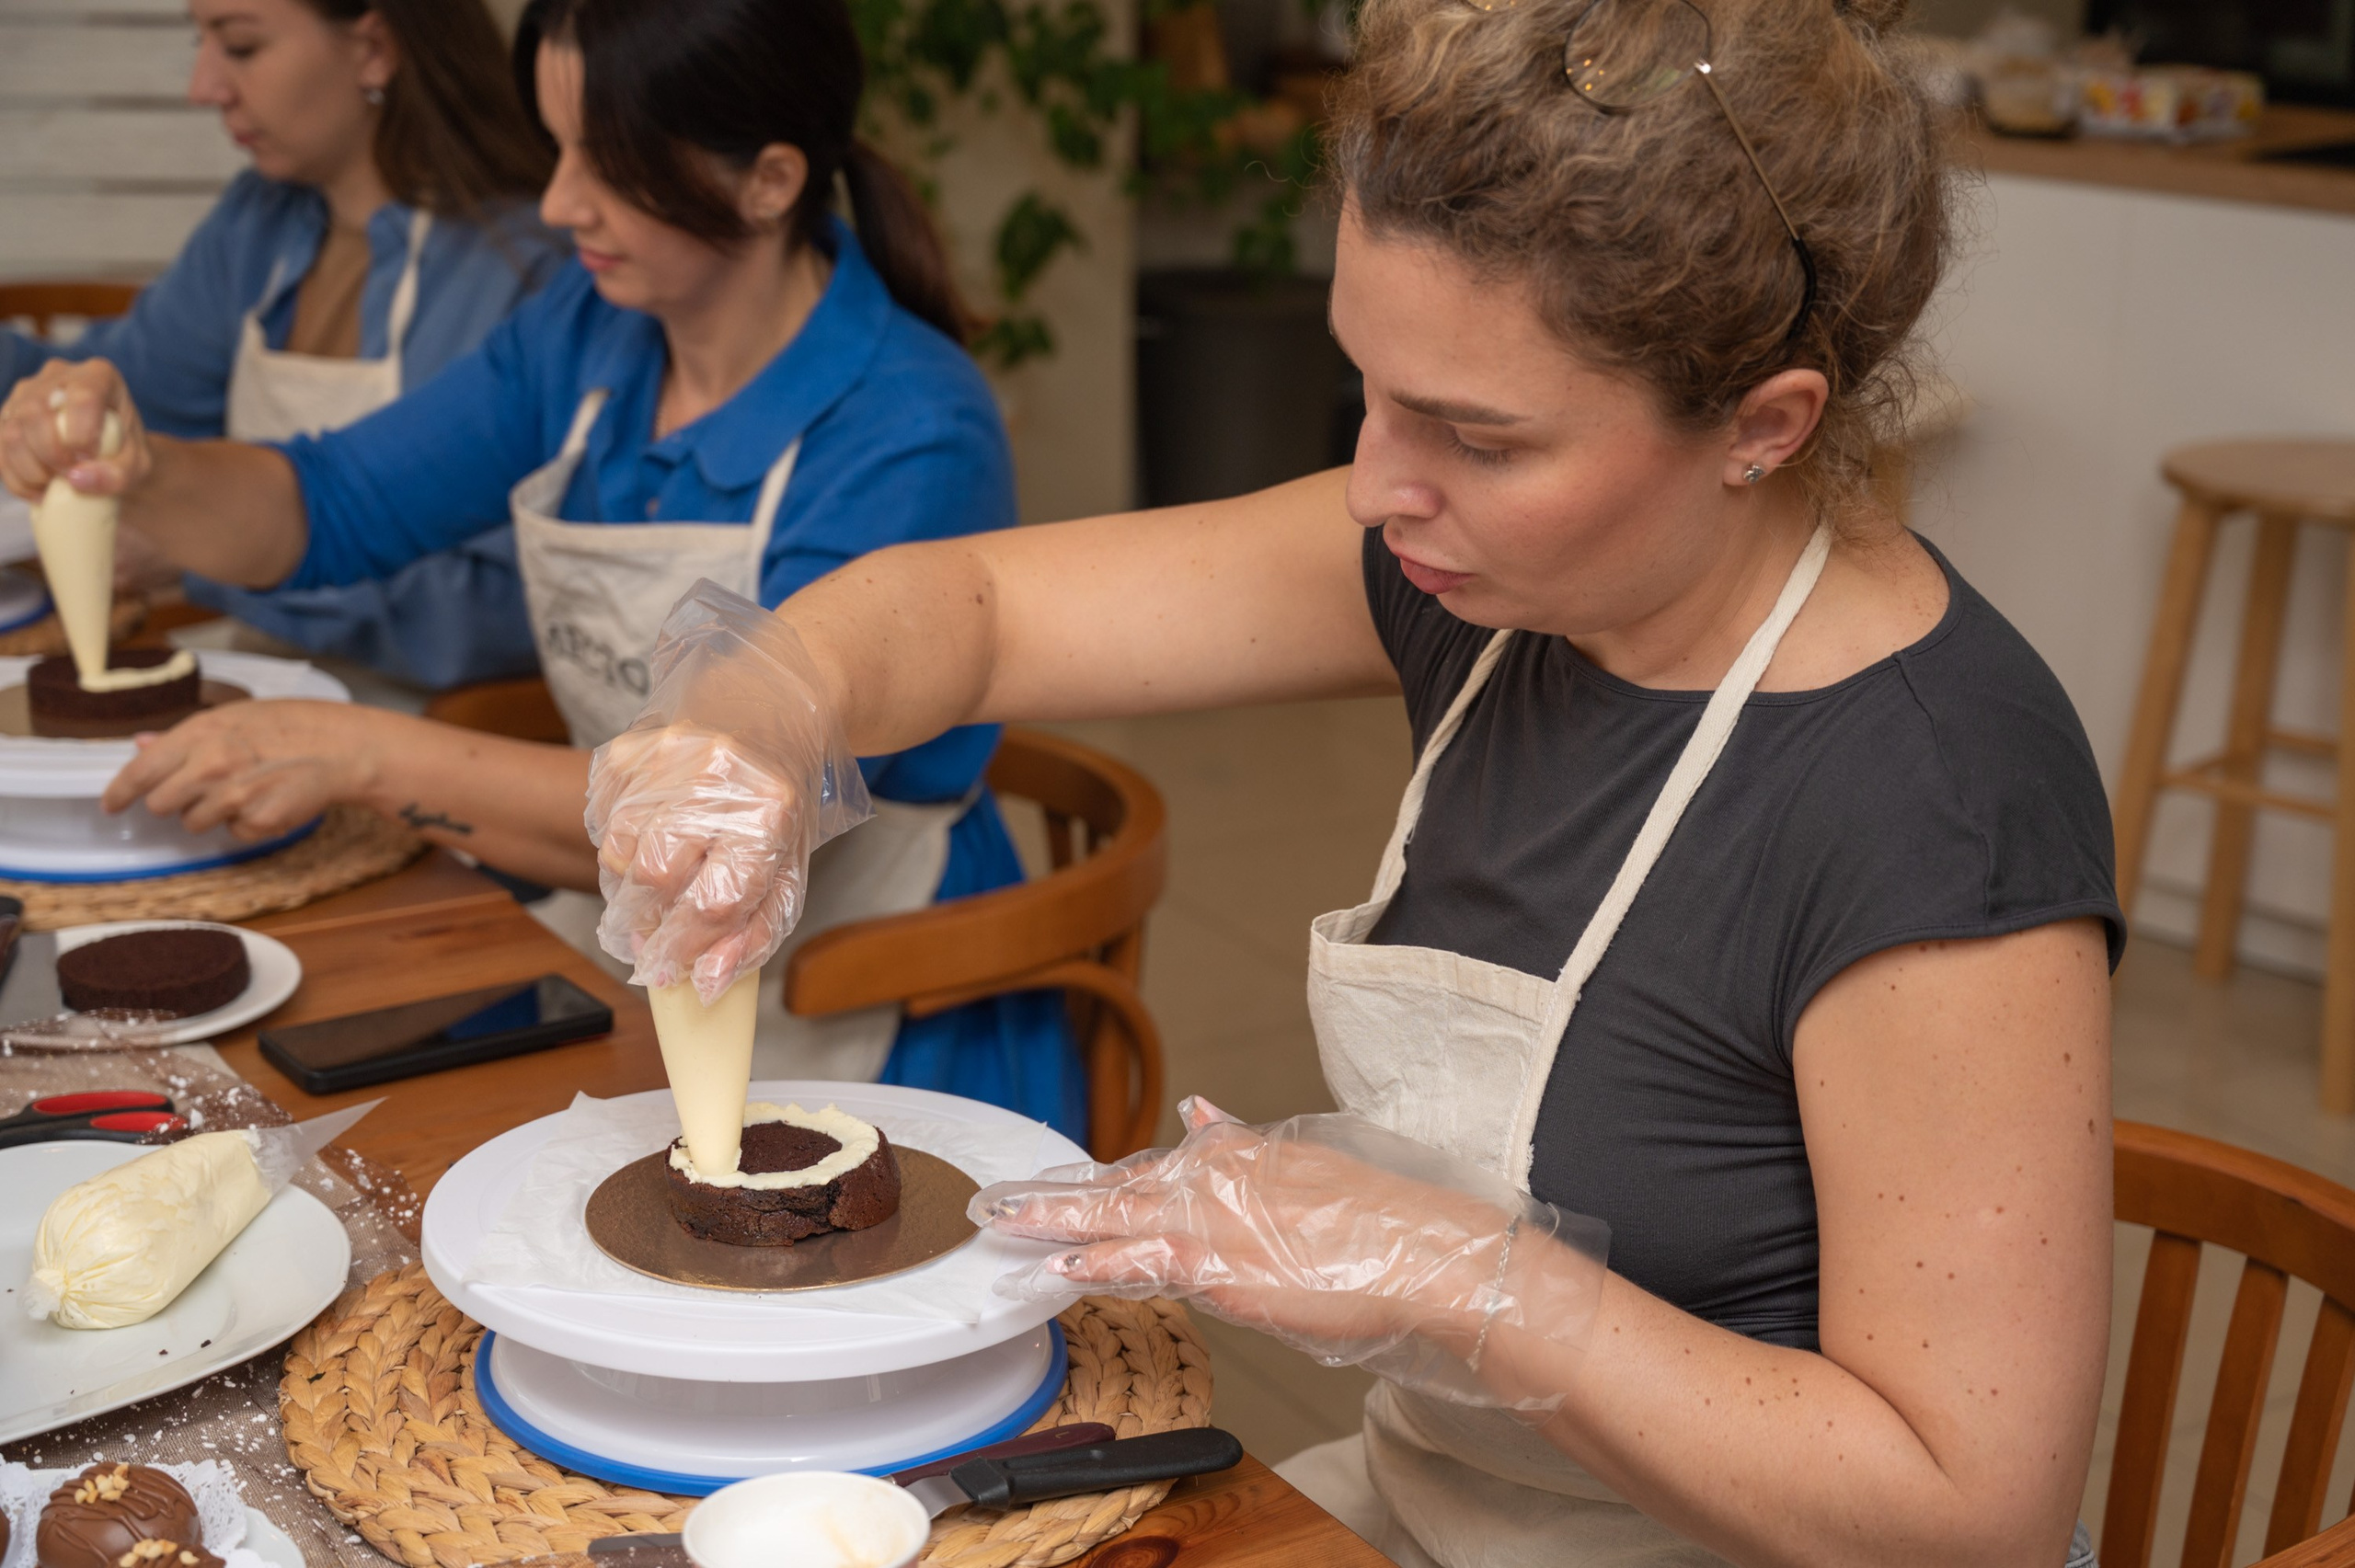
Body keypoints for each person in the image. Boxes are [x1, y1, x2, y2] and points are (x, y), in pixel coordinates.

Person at [569, 0, 2119, 1563]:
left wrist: (1473, 1281)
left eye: (1474, 435)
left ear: (1762, 427)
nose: (1380, 486)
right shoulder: (1496, 584)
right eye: (1367, 388)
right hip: (1423, 1513)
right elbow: (975, 613)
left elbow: (1969, 1517)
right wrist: (758, 718)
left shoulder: (1936, 801)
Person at [0, 0, 1081, 1138]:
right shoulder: (592, 328)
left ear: (768, 181)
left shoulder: (911, 428)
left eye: (606, 163)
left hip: (859, 978)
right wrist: (138, 462)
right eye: (557, 147)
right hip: (621, 919)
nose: (559, 202)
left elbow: (719, 819)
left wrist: (364, 749)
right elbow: (331, 504)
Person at [0, 0, 564, 692]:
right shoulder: (262, 222)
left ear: (372, 50)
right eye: (201, 42)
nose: (203, 87)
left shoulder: (526, 274)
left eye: (240, 47)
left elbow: (493, 615)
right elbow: (136, 391)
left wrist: (204, 551)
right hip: (255, 708)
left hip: (434, 735)